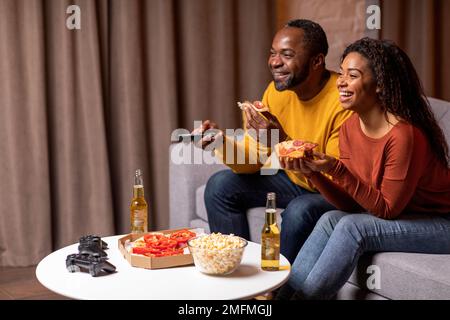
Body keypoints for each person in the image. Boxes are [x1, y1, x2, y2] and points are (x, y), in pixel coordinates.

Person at [276, 37, 450, 300]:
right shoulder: (350, 128)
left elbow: (386, 209)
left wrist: (336, 169)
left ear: (379, 85)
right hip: (410, 216)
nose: (341, 81)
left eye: (352, 75)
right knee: (329, 219)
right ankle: (281, 298)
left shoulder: (404, 135)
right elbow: (349, 205)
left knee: (352, 228)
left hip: (442, 225)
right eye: (342, 72)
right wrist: (312, 172)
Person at [194, 19, 352, 263]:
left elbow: (338, 179)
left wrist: (280, 140)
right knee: (220, 186)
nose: (274, 62)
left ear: (317, 61)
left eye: (286, 55)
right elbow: (254, 159)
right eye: (272, 53)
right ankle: (236, 270)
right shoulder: (275, 92)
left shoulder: (343, 101)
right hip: (293, 179)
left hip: (328, 191)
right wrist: (220, 144)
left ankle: (275, 289)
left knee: (300, 210)